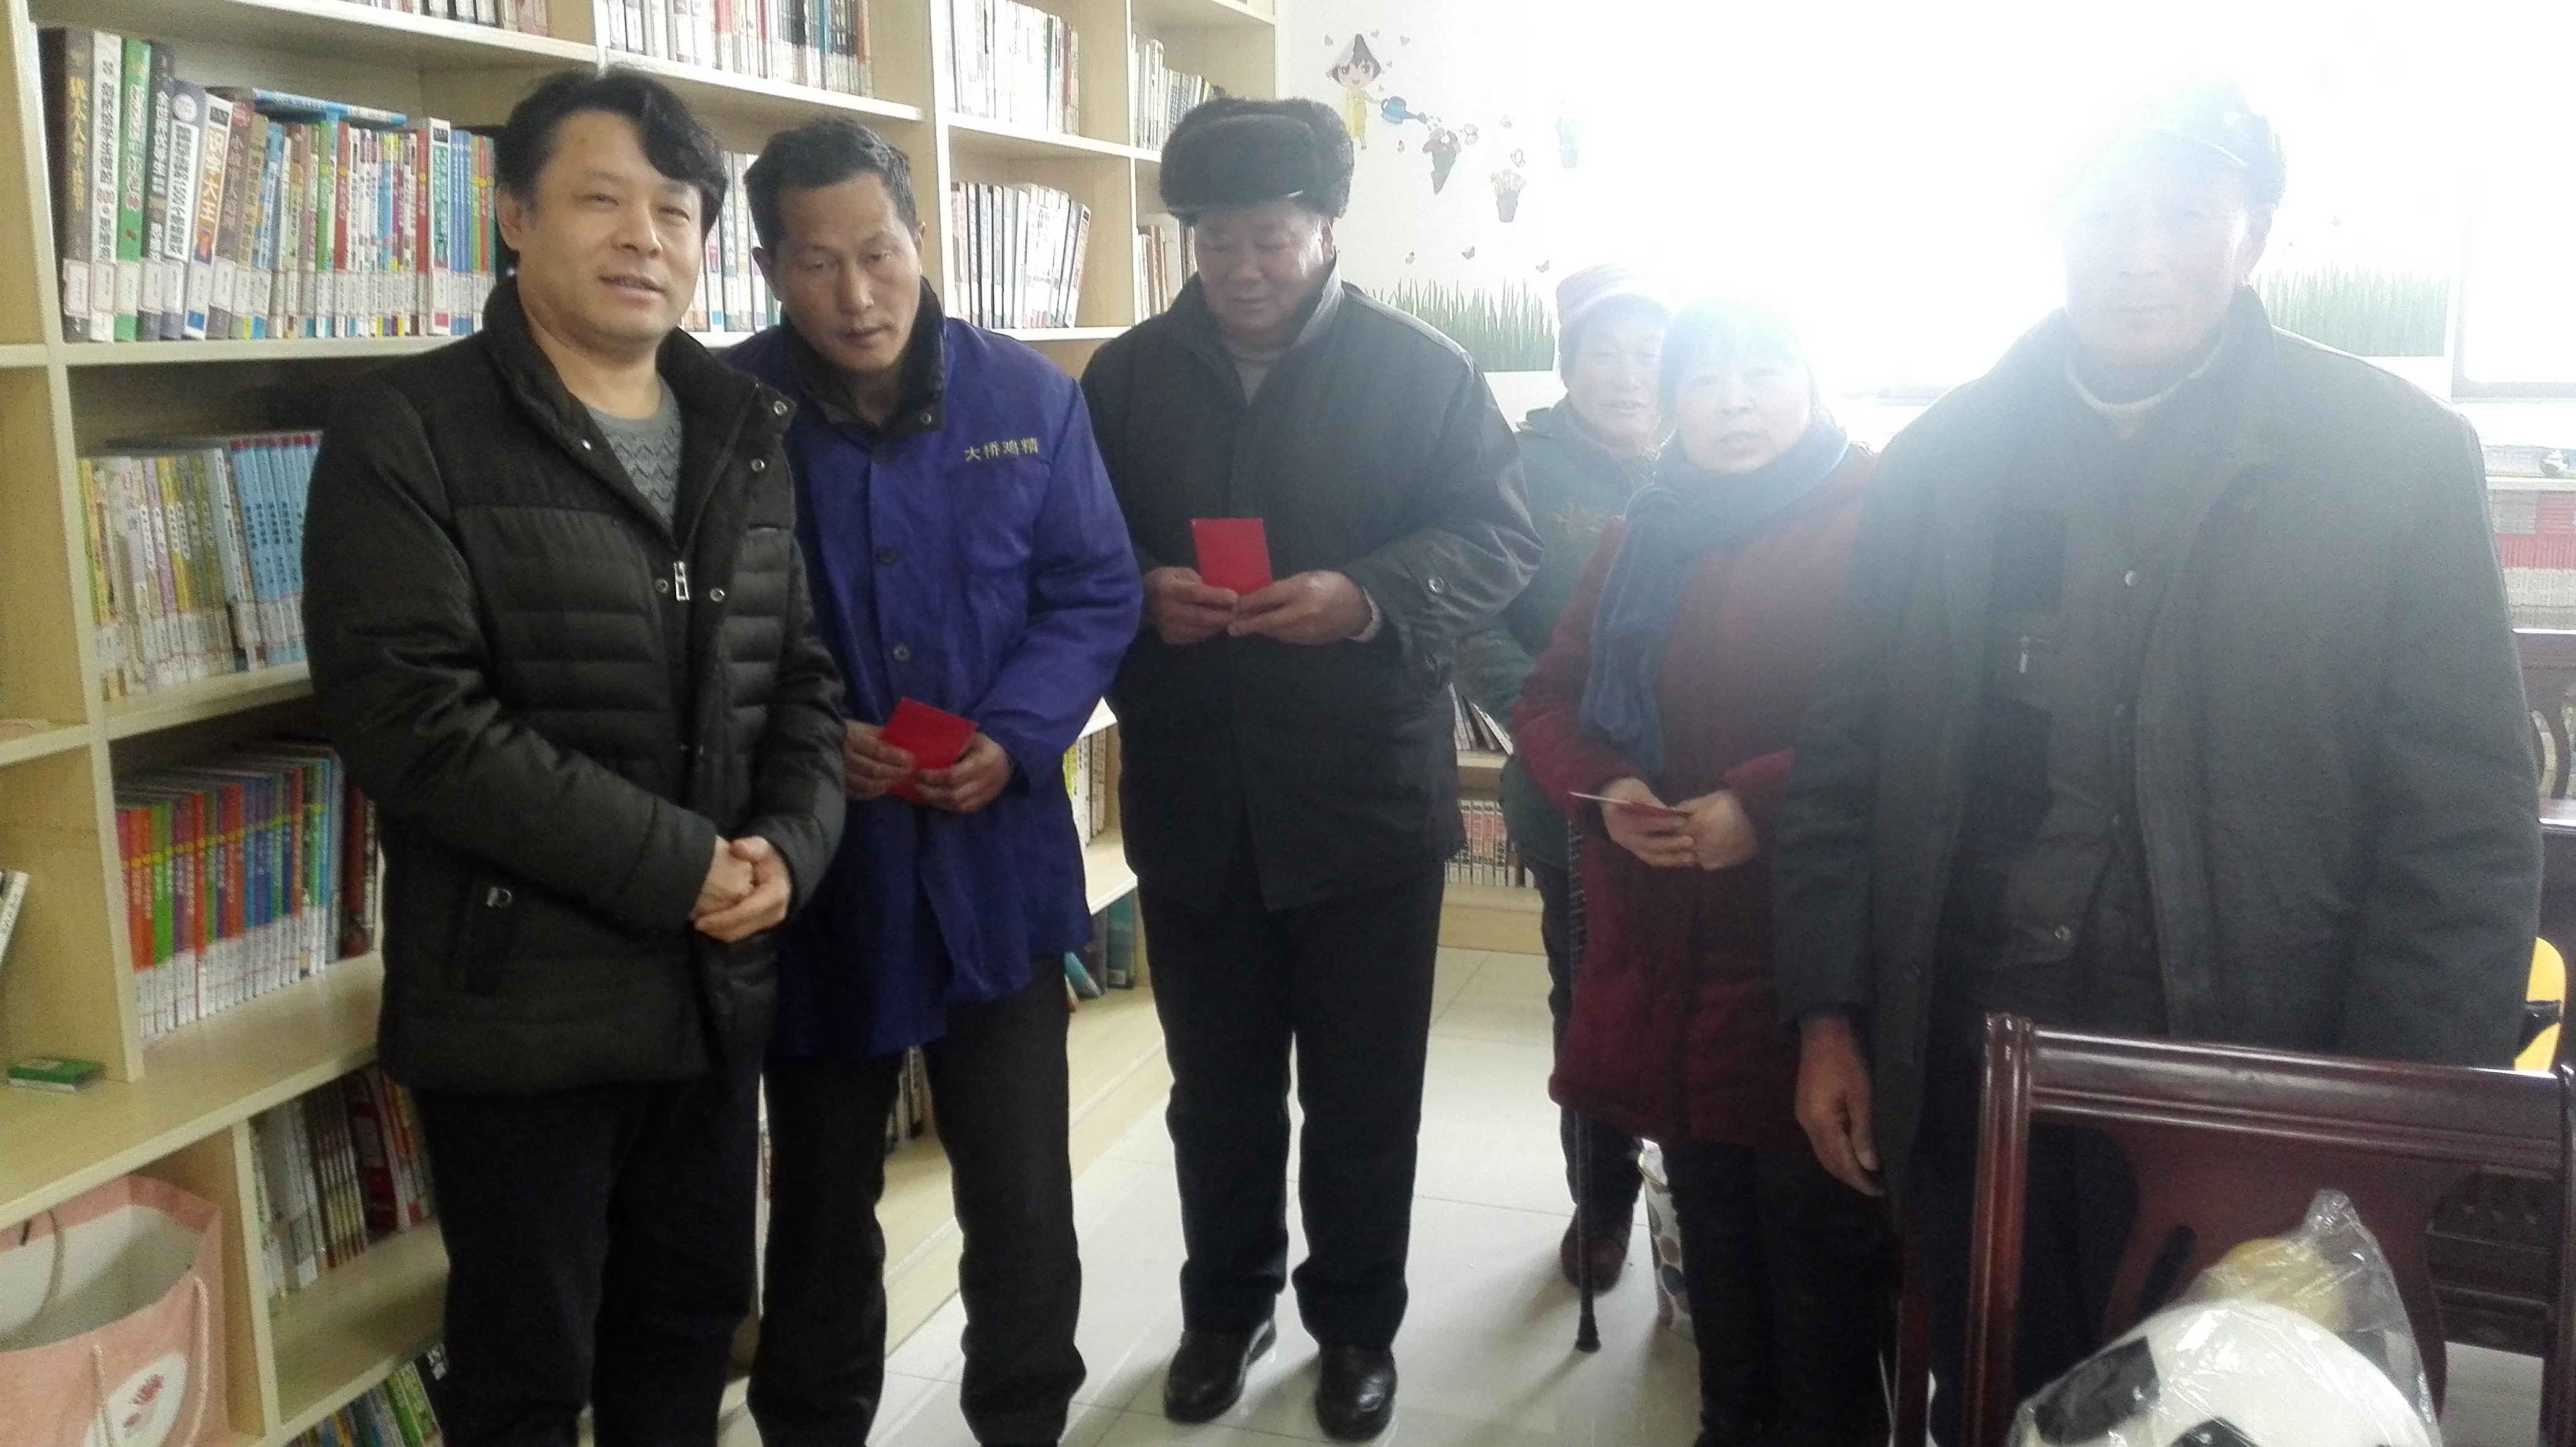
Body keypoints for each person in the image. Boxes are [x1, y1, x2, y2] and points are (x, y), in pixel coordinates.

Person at [1771, 81, 2541, 1445]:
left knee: (2223, 1403)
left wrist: (2380, 1134)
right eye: (2103, 217)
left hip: (2258, 1064)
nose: (2138, 253)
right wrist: (1828, 1012)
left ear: (2254, 236)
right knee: (2001, 1393)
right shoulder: (1943, 463)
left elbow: (2465, 820)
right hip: (1978, 1054)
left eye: (2184, 213)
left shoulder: (2392, 458)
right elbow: (1850, 755)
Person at [300, 68, 848, 1446]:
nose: (643, 237)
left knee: (686, 1332)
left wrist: (789, 850)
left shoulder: (741, 428)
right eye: (601, 199)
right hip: (521, 1009)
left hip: (711, 993)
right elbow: (415, 722)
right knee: (528, 1371)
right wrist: (681, 867)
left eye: (676, 210)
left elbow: (800, 677)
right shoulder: (408, 427)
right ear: (512, 219)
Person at [1080, 97, 1538, 1443]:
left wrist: (1367, 596)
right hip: (1196, 795)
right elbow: (1067, 545)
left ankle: (1355, 1327)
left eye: (1270, 238)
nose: (1242, 268)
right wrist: (1138, 589)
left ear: (1329, 231)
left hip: (1361, 802)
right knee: (1216, 1092)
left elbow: (1499, 536)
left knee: (1362, 1096)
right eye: (1215, 240)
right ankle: (1226, 1308)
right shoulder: (1125, 379)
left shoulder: (1423, 372)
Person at [724, 117, 1142, 1447]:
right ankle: (812, 1423)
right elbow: (698, 630)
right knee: (820, 1197)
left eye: (880, 253)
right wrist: (805, 736)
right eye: (816, 262)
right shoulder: (725, 410)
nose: (857, 294)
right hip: (821, 872)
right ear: (768, 269)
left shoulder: (1030, 398)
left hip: (991, 861)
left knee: (1018, 1190)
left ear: (924, 240)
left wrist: (1015, 735)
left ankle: (1023, 1416)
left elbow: (1095, 589)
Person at [1514, 300, 1888, 1447]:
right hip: (1668, 951)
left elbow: (1912, 719)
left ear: (1813, 380)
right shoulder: (1645, 530)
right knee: (1712, 1232)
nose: (1733, 402)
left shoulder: (1881, 515)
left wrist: (1760, 808)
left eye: (1761, 371)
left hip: (1815, 956)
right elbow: (1550, 698)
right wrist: (1607, 789)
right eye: (1704, 379)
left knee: (1822, 1251)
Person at [1455, 262, 1673, 1291]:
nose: (1629, 374)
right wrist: (1562, 736)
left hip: (1706, 803)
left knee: (1711, 1007)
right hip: (1570, 795)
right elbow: (1476, 622)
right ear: (1567, 363)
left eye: (1651, 353)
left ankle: (1701, 1204)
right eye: (1605, 352)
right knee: (1591, 1003)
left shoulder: (1721, 456)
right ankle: (1603, 1201)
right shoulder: (1518, 468)